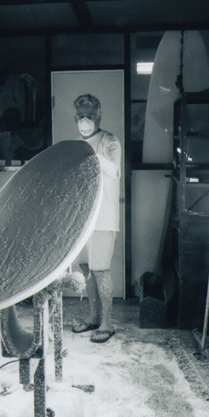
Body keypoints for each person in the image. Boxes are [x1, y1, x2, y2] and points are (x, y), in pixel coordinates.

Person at [69, 94, 122, 343]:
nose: (85, 120)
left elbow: (114, 169)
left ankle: (107, 323)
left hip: (103, 217)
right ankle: (92, 317)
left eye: (90, 115)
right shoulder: (76, 145)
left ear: (99, 115)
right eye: (80, 115)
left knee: (101, 271)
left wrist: (88, 153)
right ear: (75, 118)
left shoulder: (109, 141)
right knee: (86, 269)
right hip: (82, 218)